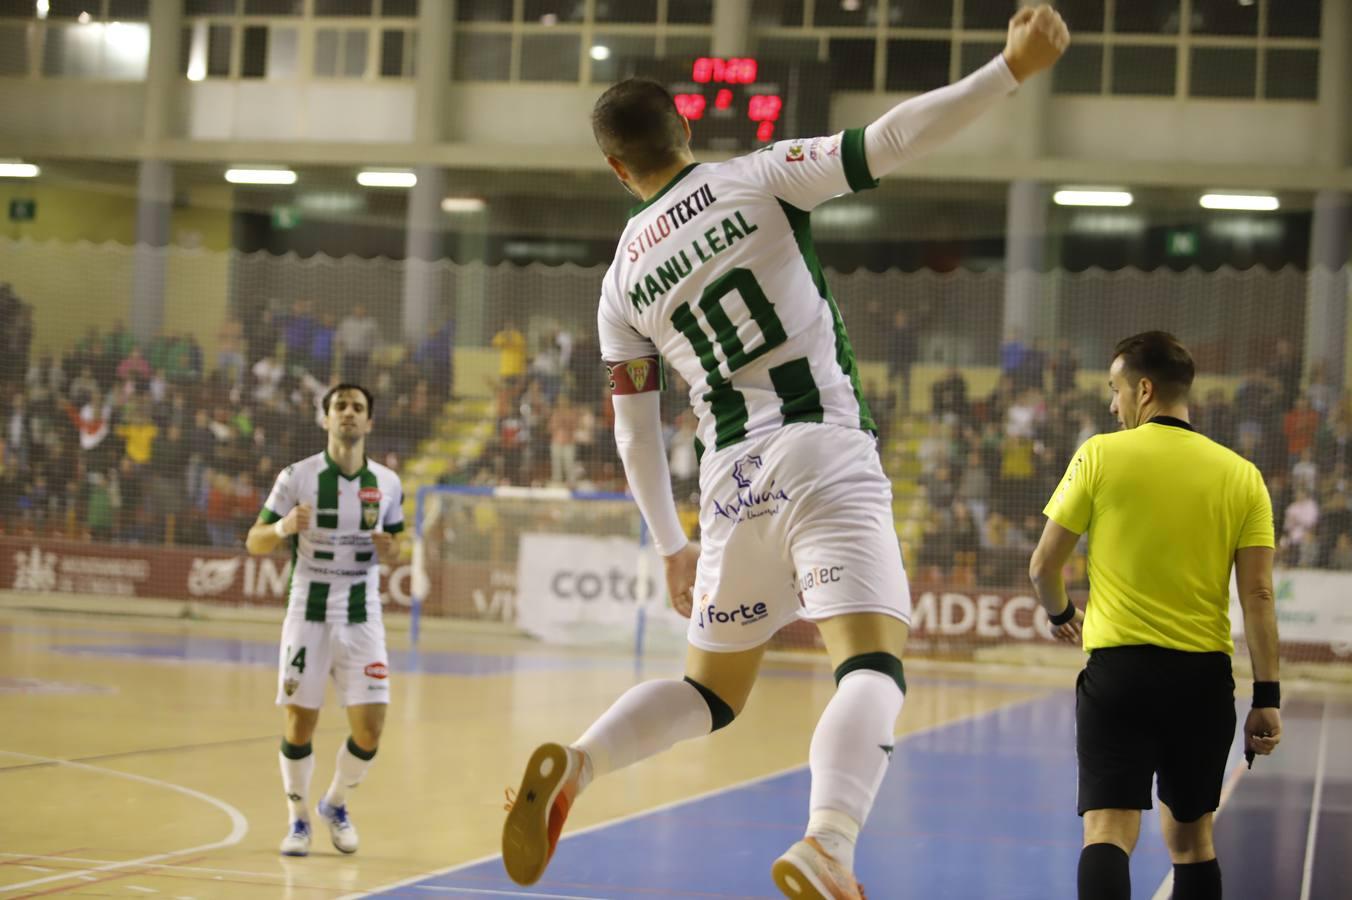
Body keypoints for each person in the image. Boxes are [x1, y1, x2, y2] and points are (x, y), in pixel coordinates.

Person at [500, 6, 1068, 897]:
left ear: (617, 168)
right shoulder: (755, 177)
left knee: (711, 693)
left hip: (728, 481)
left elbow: (634, 428)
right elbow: (890, 138)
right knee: (871, 667)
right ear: (684, 127)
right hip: (822, 449)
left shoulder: (619, 284)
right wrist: (1007, 68)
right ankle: (828, 841)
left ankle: (580, 762)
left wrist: (671, 543)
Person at [1029, 332, 1282, 900]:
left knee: (1107, 830)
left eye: (1115, 391)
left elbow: (1044, 566)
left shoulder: (1099, 455)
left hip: (1119, 676)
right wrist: (1268, 695)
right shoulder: (1243, 476)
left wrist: (1062, 613)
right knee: (1192, 841)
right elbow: (1259, 596)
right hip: (1201, 682)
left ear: (1143, 389)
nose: (1112, 405)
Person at [245, 383, 404, 858]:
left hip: (362, 616)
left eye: (358, 408)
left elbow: (399, 544)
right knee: (299, 726)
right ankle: (297, 821)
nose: (349, 414)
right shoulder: (296, 477)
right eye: (340, 407)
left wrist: (392, 549)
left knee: (370, 730)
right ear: (326, 419)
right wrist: (281, 527)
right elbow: (254, 540)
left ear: (369, 422)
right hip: (307, 614)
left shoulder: (389, 483)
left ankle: (334, 804)